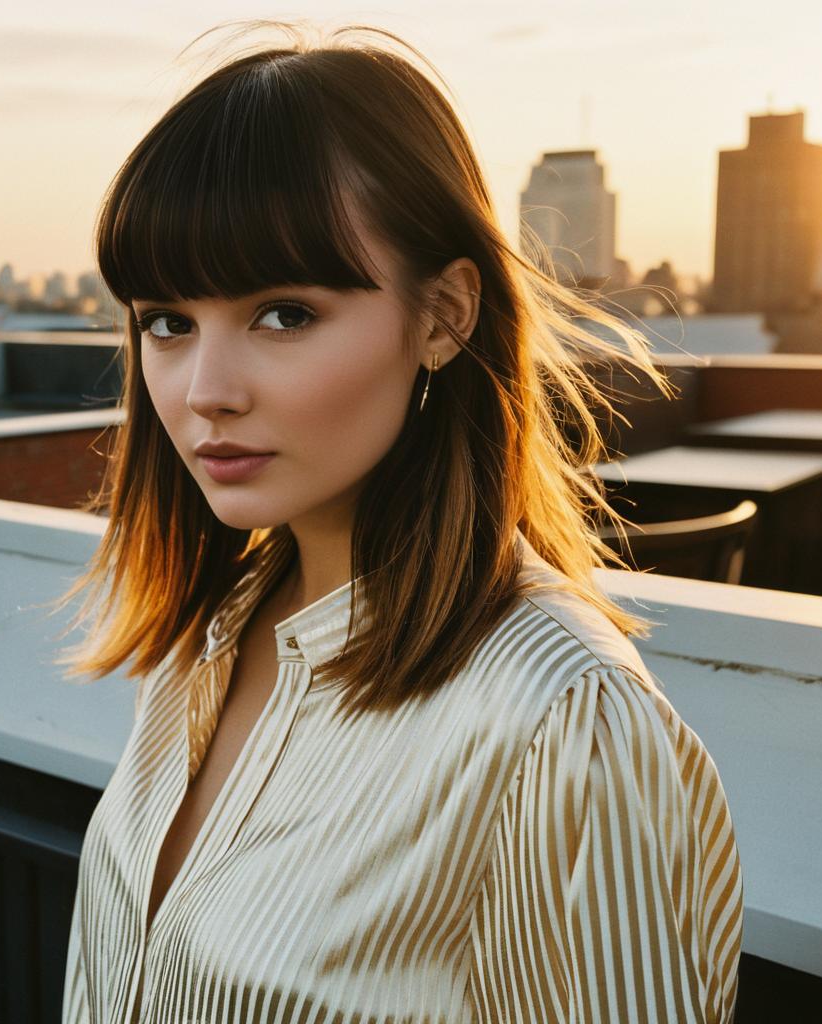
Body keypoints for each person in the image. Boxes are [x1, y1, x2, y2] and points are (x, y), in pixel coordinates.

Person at [59, 20, 742, 1024]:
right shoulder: (211, 633)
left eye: (284, 313)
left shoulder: (565, 726)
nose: (203, 391)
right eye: (168, 320)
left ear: (442, 316)